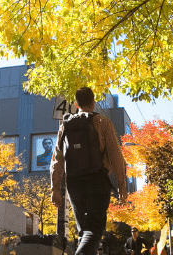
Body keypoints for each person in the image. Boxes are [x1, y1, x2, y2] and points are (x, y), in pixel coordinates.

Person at [51, 87, 129, 255]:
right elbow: (115, 155)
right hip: (97, 180)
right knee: (94, 228)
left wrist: (55, 188)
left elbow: (57, 159)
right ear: (93, 102)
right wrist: (122, 185)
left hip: (74, 183)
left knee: (84, 231)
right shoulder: (102, 122)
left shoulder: (66, 125)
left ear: (76, 104)